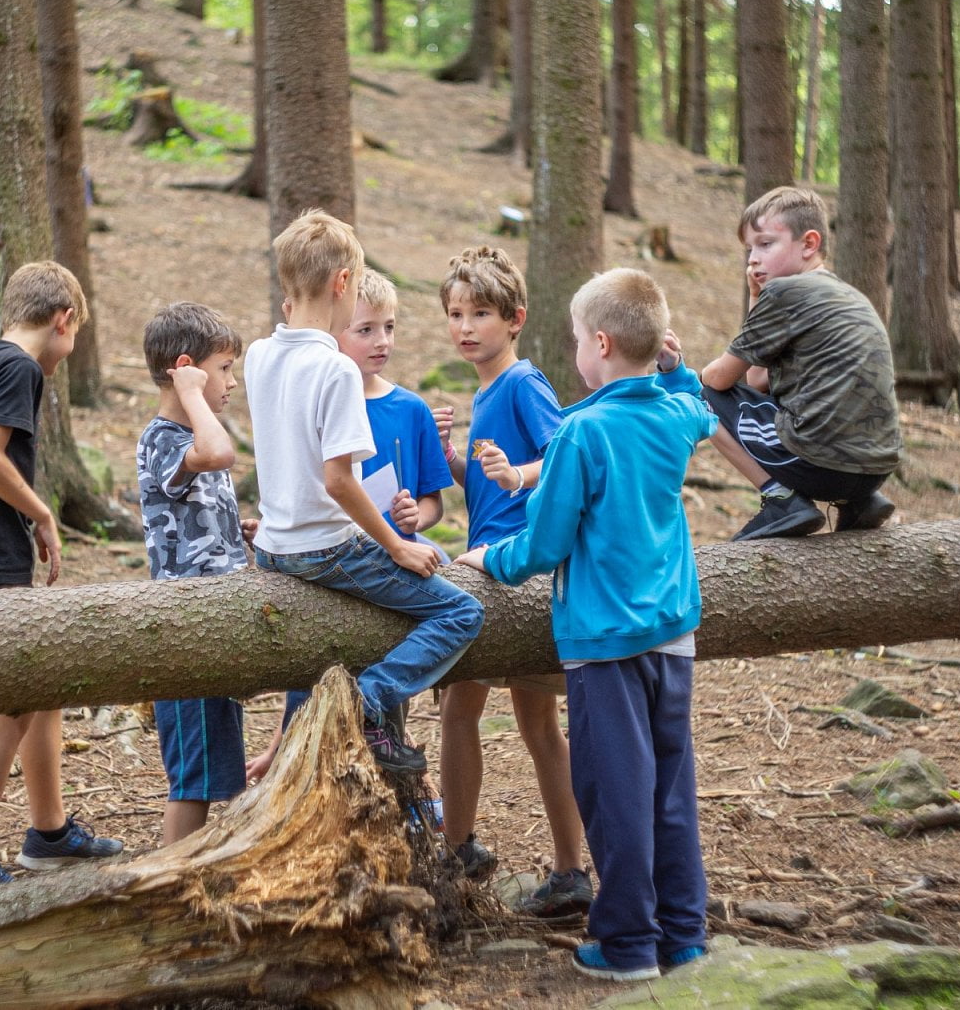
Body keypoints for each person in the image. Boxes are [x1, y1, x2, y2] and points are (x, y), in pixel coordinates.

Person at [457, 268, 716, 981]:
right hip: (673, 635)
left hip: (604, 643)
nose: (573, 349)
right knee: (670, 786)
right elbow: (700, 400)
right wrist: (677, 364)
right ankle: (684, 934)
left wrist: (489, 558)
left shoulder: (581, 431)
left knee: (614, 791)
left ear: (600, 344)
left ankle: (629, 941)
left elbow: (544, 544)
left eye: (576, 339)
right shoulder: (674, 415)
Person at [245, 210, 483, 776]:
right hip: (324, 546)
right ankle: (366, 702)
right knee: (463, 612)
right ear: (343, 284)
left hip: (273, 545)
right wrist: (397, 547)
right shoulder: (335, 371)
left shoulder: (259, 355)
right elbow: (337, 480)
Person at [0, 261, 122, 901]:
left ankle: (50, 833)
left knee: (43, 688)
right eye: (73, 338)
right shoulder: (20, 369)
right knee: (11, 707)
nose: (67, 354)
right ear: (63, 320)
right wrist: (38, 512)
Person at [432, 245, 592, 916]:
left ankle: (508, 859)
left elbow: (563, 457)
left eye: (481, 315)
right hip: (490, 564)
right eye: (455, 314)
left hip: (514, 575)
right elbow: (494, 490)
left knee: (493, 716)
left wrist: (518, 476)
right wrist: (455, 463)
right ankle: (544, 866)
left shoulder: (523, 383)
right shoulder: (486, 389)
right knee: (505, 718)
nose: (465, 327)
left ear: (515, 318)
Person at [700, 186, 901, 540]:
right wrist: (755, 299)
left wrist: (696, 373)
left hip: (820, 464)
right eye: (749, 249)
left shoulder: (787, 292)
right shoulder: (848, 295)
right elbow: (758, 381)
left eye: (765, 244)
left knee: (697, 395)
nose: (752, 259)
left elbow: (719, 380)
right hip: (876, 467)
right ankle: (858, 501)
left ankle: (781, 500)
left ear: (809, 244)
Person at [136, 302, 260, 845]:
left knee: (222, 773)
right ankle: (170, 882)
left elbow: (194, 516)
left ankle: (214, 876)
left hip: (215, 627)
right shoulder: (164, 437)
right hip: (184, 630)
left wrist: (239, 532)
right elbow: (217, 452)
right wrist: (190, 392)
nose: (231, 381)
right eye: (224, 367)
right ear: (187, 368)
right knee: (192, 780)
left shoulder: (189, 439)